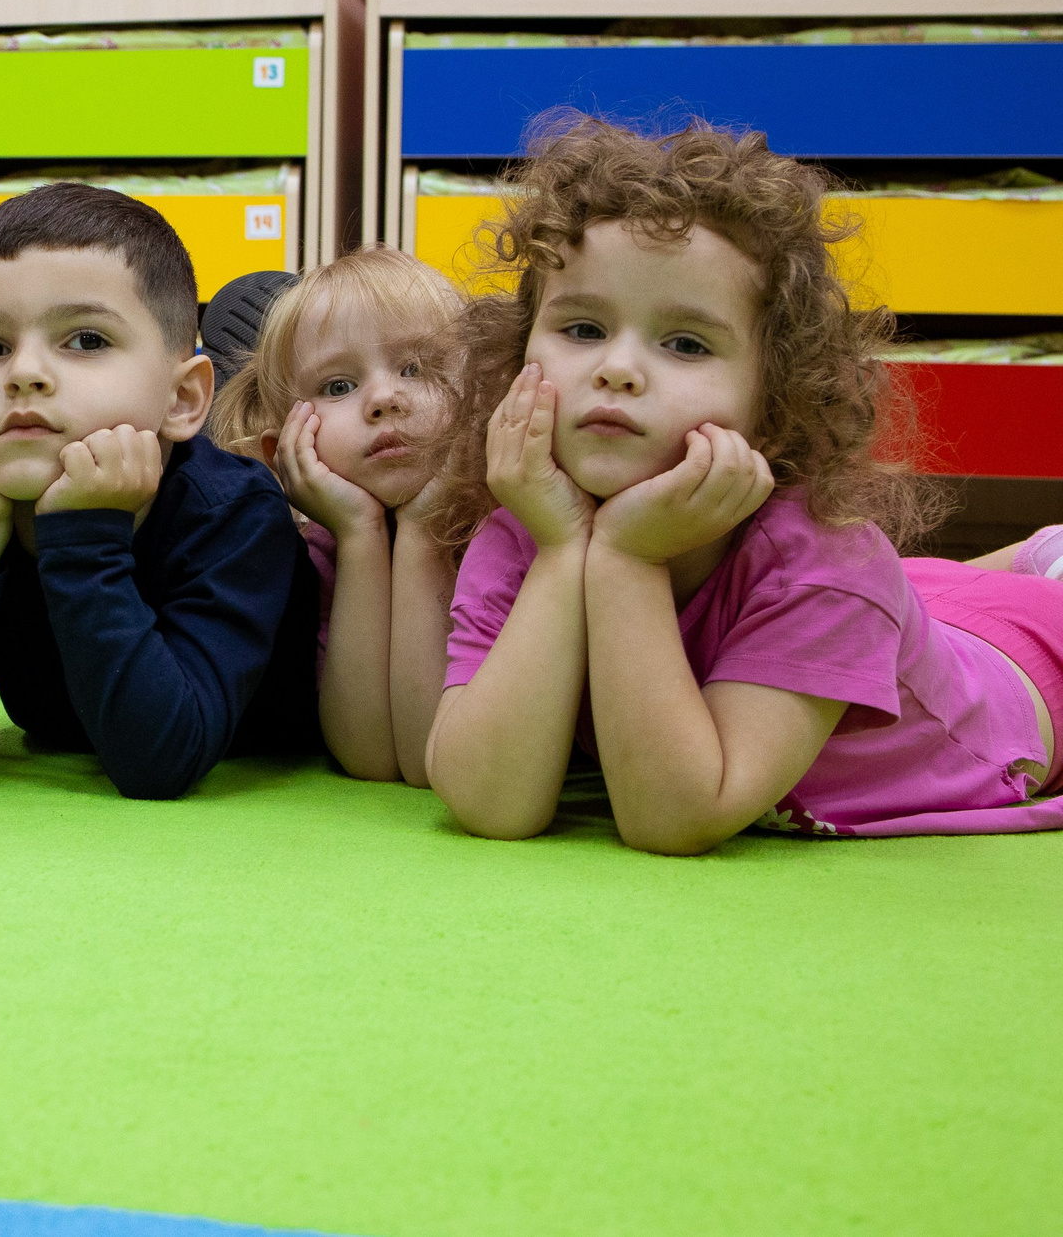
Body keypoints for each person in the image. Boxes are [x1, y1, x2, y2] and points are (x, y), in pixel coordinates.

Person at [423, 118, 1063, 849]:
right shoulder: (533, 523)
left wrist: (628, 558)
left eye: (686, 344)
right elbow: (490, 801)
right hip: (922, 616)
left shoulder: (830, 564)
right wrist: (565, 551)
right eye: (582, 330)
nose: (618, 368)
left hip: (1030, 670)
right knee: (922, 599)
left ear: (775, 405)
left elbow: (676, 814)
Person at [0, 183, 316, 799]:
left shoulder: (236, 514)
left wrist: (87, 534)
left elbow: (161, 761)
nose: (25, 374)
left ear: (183, 399)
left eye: (87, 340)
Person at [212, 248, 466, 785]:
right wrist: (360, 535)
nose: (383, 398)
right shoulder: (319, 553)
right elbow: (370, 758)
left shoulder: (512, 533)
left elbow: (431, 757)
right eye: (338, 387)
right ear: (284, 447)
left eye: (416, 368)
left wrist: (423, 529)